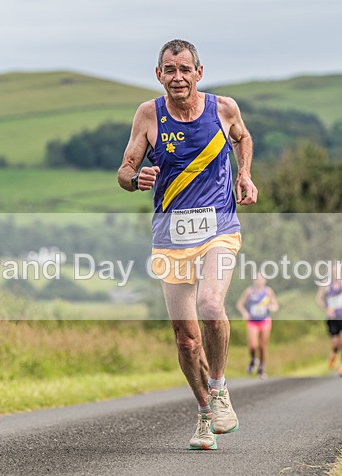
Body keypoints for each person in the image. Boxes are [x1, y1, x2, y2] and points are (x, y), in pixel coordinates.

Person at [117, 39, 257, 450]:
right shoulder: (148, 114)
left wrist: (244, 174)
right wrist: (135, 179)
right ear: (158, 75)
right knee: (186, 339)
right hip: (171, 236)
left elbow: (242, 137)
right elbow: (125, 170)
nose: (177, 77)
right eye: (169, 70)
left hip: (219, 228)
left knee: (211, 305)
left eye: (184, 69)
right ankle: (204, 413)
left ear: (199, 72)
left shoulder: (223, 108)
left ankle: (219, 388)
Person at [236, 274, 279, 379]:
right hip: (252, 321)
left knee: (263, 346)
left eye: (261, 279)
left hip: (265, 320)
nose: (259, 281)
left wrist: (271, 307)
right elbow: (239, 304)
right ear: (254, 280)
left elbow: (275, 306)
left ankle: (261, 368)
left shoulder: (268, 291)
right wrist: (245, 313)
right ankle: (253, 359)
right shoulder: (249, 291)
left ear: (265, 280)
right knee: (253, 346)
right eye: (257, 279)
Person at [316, 264, 342, 378]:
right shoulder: (326, 284)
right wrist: (326, 309)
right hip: (332, 318)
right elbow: (319, 299)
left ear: (341, 272)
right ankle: (333, 354)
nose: (336, 274)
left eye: (338, 271)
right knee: (335, 343)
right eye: (334, 272)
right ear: (331, 273)